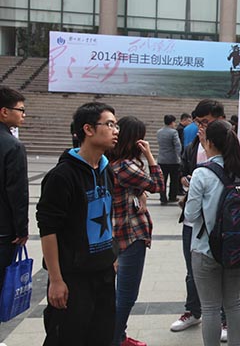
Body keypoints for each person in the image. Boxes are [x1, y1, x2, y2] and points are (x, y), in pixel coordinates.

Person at [36, 102, 119, 345]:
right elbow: (48, 229)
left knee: (102, 336)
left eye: (117, 125)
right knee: (67, 337)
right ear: (88, 129)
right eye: (109, 124)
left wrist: (112, 254)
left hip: (104, 273)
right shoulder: (62, 176)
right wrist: (56, 279)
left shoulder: (106, 170)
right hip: (73, 277)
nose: (115, 131)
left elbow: (108, 214)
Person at [185, 120, 240, 346]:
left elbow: (190, 216)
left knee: (210, 307)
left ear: (210, 143)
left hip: (205, 249)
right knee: (234, 303)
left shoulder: (201, 174)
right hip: (236, 247)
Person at [171, 100, 228, 340]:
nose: (201, 127)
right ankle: (193, 311)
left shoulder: (230, 146)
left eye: (206, 122)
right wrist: (185, 179)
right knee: (192, 270)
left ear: (220, 119)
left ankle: (224, 318)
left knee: (223, 272)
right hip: (193, 222)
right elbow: (183, 169)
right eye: (198, 122)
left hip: (221, 222)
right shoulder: (193, 145)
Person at [108, 116, 165, 346]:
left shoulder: (110, 161)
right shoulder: (125, 166)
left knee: (119, 292)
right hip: (130, 234)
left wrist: (140, 193)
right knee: (127, 294)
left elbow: (135, 188)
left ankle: (119, 336)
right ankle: (114, 339)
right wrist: (150, 156)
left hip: (117, 232)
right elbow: (159, 185)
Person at [0, 86, 29, 295]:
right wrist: (21, 229)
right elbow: (17, 192)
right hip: (4, 230)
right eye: (20, 110)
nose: (23, 115)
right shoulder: (13, 146)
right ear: (4, 111)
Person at [157, 114, 181, 205]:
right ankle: (172, 196)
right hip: (173, 160)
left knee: (163, 179)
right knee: (174, 179)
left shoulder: (159, 132)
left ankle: (163, 197)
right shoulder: (173, 132)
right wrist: (180, 156)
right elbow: (177, 145)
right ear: (172, 122)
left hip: (162, 159)